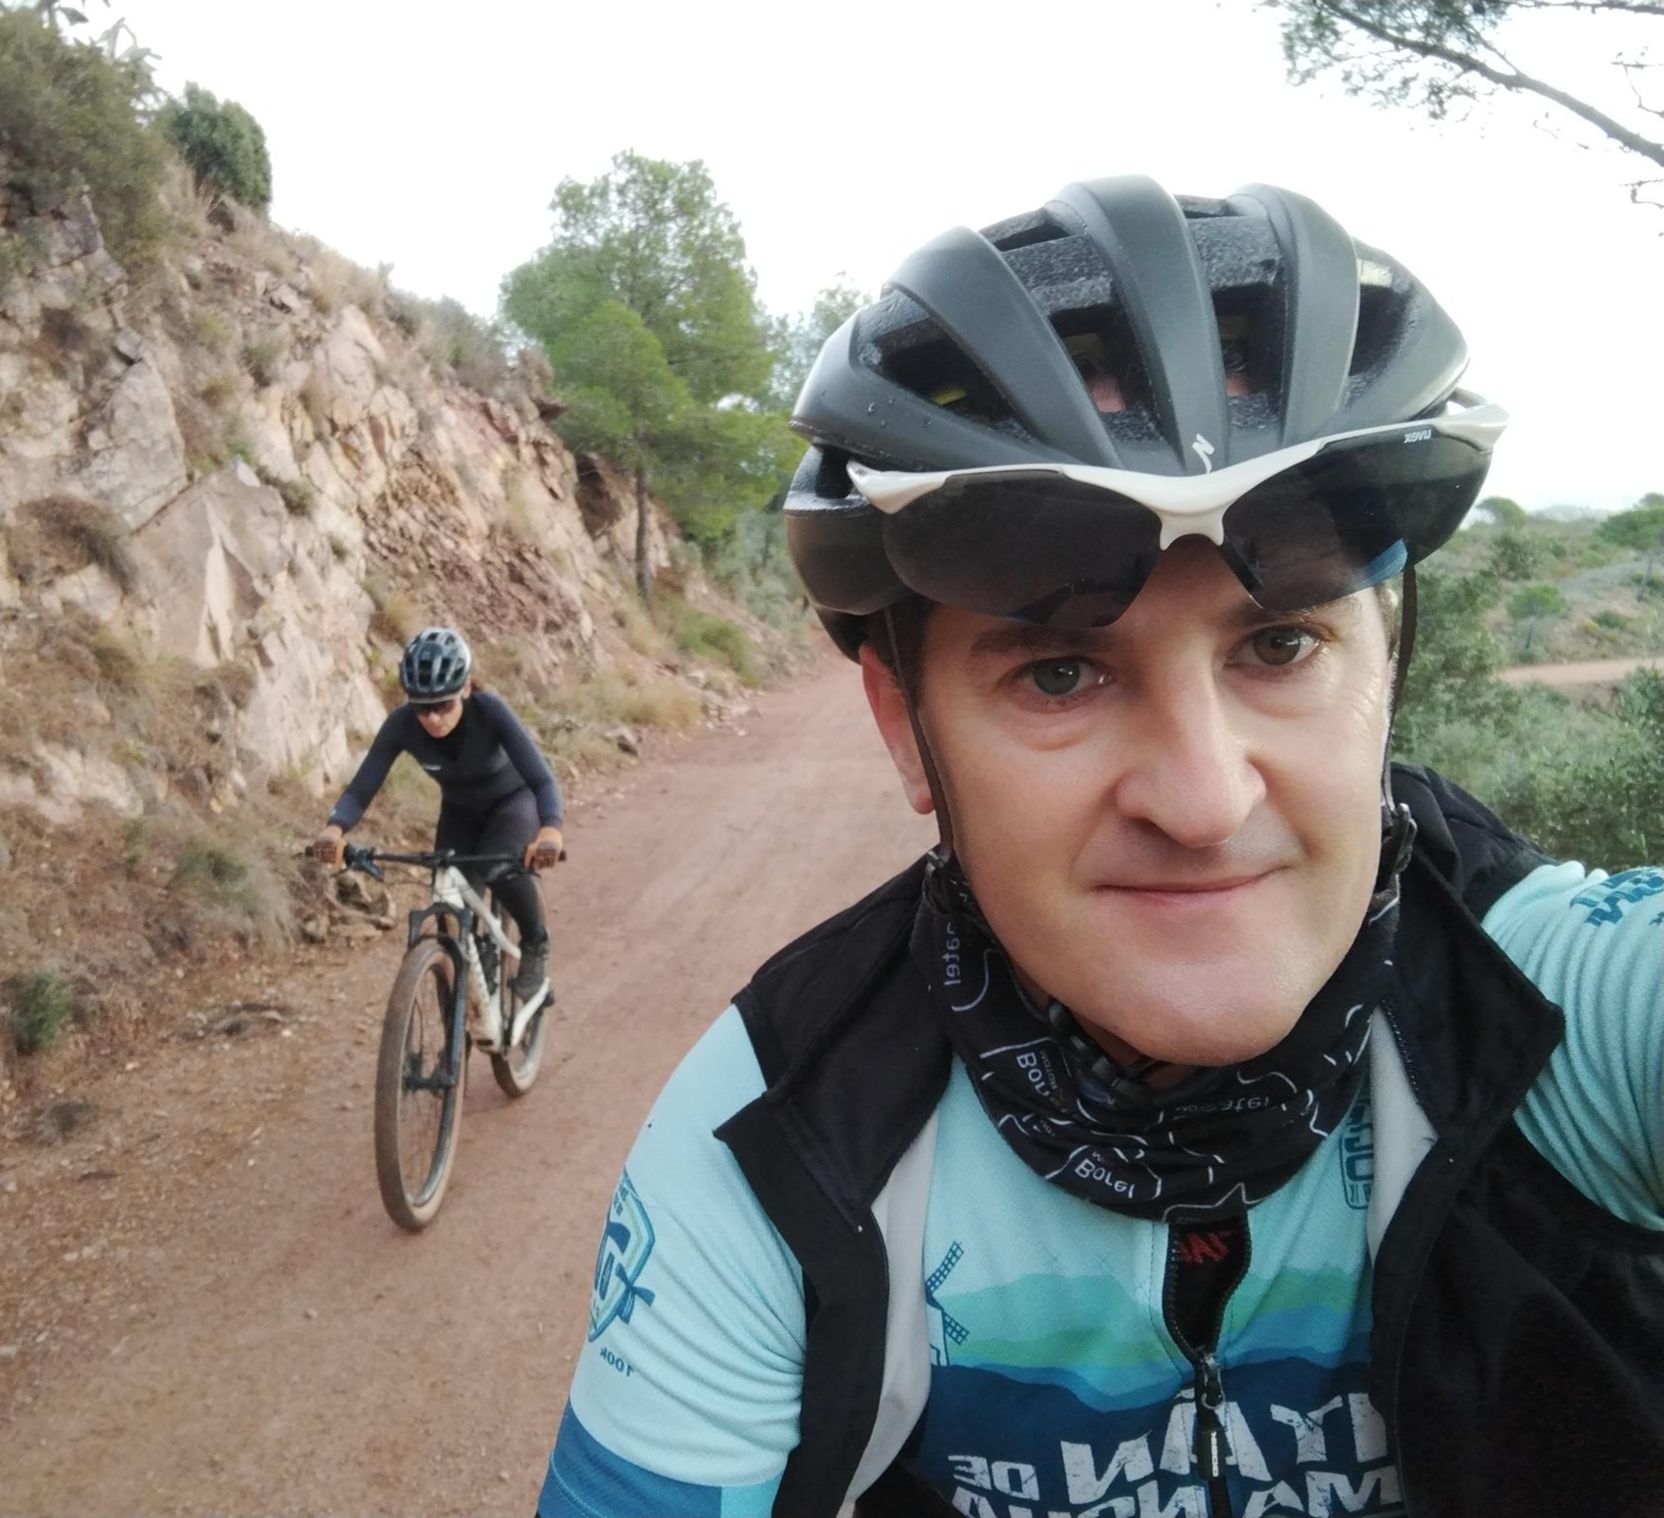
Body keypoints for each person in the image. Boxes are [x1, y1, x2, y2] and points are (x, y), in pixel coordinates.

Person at [538, 178, 1662, 1518]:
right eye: (1060, 674)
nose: (1201, 800)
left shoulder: (1557, 1013)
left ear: (1386, 667)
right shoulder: (777, 1141)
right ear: (907, 729)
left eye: (1281, 644)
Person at [314, 627, 563, 1001]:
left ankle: (535, 941)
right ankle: (468, 980)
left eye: (443, 705)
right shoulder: (401, 725)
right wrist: (334, 829)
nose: (432, 718)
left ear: (465, 688)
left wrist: (550, 830)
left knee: (499, 866)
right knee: (448, 904)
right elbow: (362, 787)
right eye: (421, 707)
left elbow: (542, 780)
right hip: (460, 811)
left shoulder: (490, 711)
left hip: (512, 802)